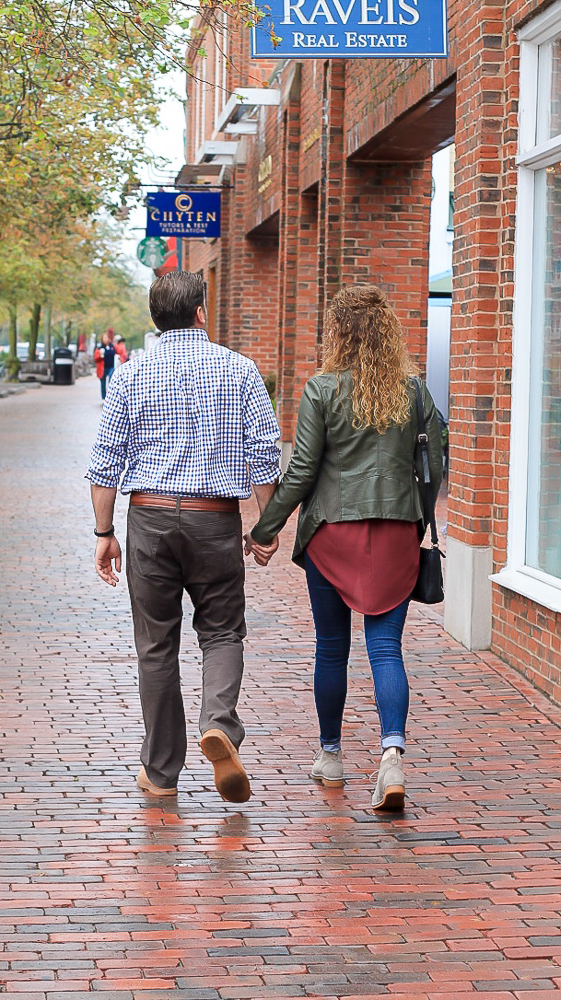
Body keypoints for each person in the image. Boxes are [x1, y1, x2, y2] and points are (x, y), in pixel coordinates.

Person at [244, 284, 443, 812]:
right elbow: (434, 467)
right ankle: (392, 756)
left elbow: (303, 471)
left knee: (332, 646)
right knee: (386, 647)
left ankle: (330, 756)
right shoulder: (415, 392)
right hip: (398, 529)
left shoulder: (322, 389)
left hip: (333, 532)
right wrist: (417, 520)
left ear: (338, 333)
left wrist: (266, 529)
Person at [87, 271, 281, 802]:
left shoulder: (130, 375)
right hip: (213, 519)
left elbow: (104, 465)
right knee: (221, 631)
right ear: (200, 313)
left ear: (156, 318)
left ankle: (161, 772)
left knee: (156, 645)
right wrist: (266, 527)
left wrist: (104, 533)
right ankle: (218, 722)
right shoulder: (240, 371)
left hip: (148, 518)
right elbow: (264, 455)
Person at [93, 332, 116, 400]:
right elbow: (95, 358)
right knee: (103, 382)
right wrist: (100, 355)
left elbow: (116, 353)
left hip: (111, 366)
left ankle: (110, 395)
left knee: (111, 380)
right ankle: (104, 396)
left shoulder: (112, 346)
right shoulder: (100, 348)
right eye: (104, 338)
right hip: (102, 368)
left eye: (106, 338)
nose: (105, 339)